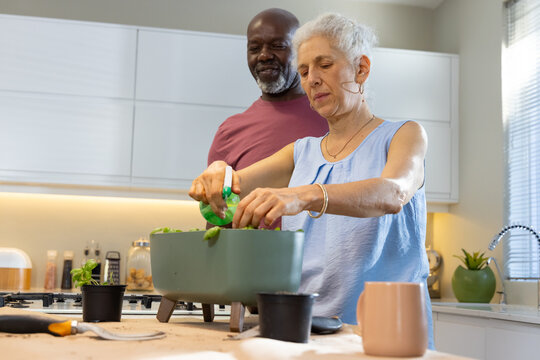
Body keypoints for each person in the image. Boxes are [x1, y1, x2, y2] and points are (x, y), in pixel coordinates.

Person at [190, 13, 433, 348]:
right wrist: (218, 171)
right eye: (304, 71)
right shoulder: (300, 153)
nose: (312, 79)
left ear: (361, 69)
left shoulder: (404, 135)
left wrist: (305, 195)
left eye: (324, 64)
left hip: (390, 334)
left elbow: (392, 193)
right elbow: (229, 184)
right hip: (306, 332)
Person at [207, 8, 328, 171]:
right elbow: (215, 195)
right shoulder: (229, 132)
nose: (264, 56)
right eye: (254, 49)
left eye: (277, 46)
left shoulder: (331, 117)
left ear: (301, 52)